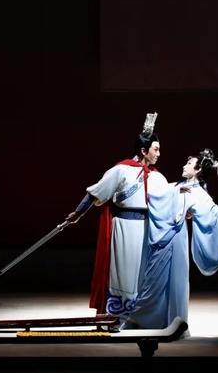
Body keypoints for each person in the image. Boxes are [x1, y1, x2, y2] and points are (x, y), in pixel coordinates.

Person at [128, 148, 218, 330]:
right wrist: (174, 192)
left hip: (176, 239)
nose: (184, 165)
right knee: (153, 279)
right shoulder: (179, 186)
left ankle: (164, 321)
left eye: (189, 163)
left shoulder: (198, 192)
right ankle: (146, 320)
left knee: (171, 282)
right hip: (162, 237)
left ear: (198, 170)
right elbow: (156, 195)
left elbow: (216, 215)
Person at [65, 112, 170, 320]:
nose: (159, 153)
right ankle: (119, 315)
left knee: (143, 273)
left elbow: (170, 200)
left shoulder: (157, 177)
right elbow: (95, 192)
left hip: (147, 229)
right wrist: (78, 213)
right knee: (124, 271)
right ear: (144, 150)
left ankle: (141, 315)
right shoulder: (121, 170)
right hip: (124, 227)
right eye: (156, 149)